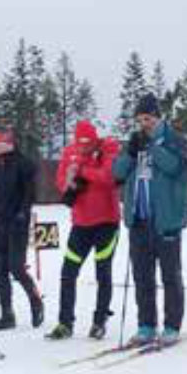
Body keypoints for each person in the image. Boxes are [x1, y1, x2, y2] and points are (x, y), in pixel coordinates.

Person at [112, 94, 187, 346]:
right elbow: (117, 173)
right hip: (139, 218)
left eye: (147, 119)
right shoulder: (134, 142)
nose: (143, 124)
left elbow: (175, 167)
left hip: (166, 219)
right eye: (139, 120)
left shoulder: (175, 140)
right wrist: (131, 153)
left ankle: (171, 325)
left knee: (170, 275)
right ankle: (146, 324)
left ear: (158, 117)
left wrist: (153, 147)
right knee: (142, 276)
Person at [51, 120, 121, 340]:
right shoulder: (69, 152)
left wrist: (83, 170)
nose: (83, 148)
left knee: (103, 273)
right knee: (67, 273)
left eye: (88, 144)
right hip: (80, 223)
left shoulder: (108, 148)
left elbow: (108, 177)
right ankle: (65, 323)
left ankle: (99, 321)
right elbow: (60, 180)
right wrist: (70, 182)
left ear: (94, 139)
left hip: (106, 223)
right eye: (79, 144)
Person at [0, 127, 44, 330]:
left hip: (16, 224)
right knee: (0, 269)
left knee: (16, 267)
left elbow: (30, 193)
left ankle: (36, 301)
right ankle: (7, 314)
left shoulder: (24, 164)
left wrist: (22, 213)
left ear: (3, 143)